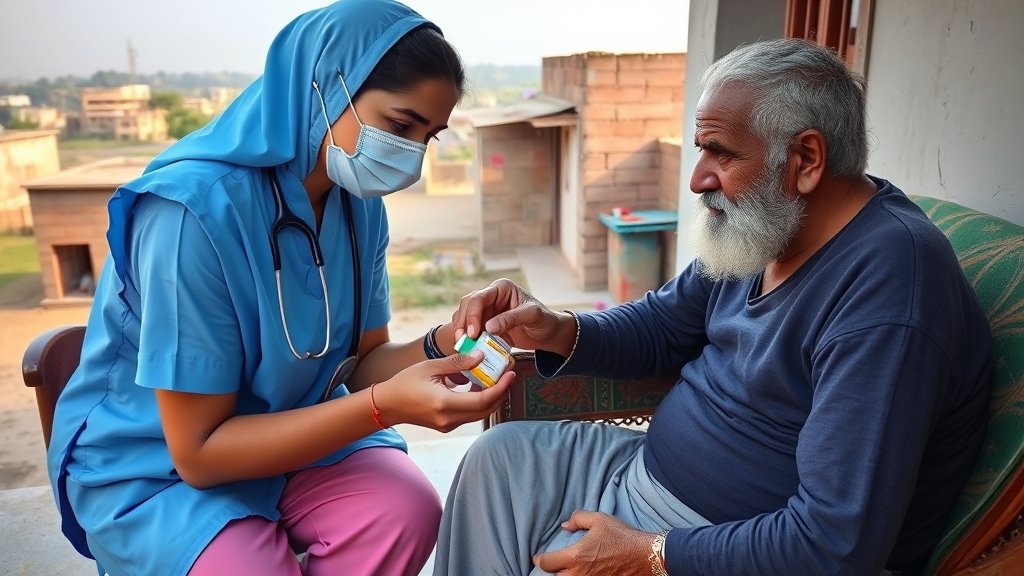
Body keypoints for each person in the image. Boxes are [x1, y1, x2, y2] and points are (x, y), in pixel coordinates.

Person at [433, 39, 993, 576]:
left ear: (806, 158)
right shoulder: (767, 227)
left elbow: (834, 546)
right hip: (640, 475)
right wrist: (556, 329)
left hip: (722, 546)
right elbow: (661, 325)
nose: (699, 178)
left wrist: (650, 557)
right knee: (496, 460)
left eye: (720, 153)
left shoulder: (891, 290)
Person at [45, 2, 513, 575]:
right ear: (324, 85)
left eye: (429, 136)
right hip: (162, 465)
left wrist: (446, 345)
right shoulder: (190, 215)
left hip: (299, 432)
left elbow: (360, 365)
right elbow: (199, 452)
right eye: (400, 126)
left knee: (405, 510)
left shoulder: (357, 209)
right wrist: (383, 408)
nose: (411, 156)